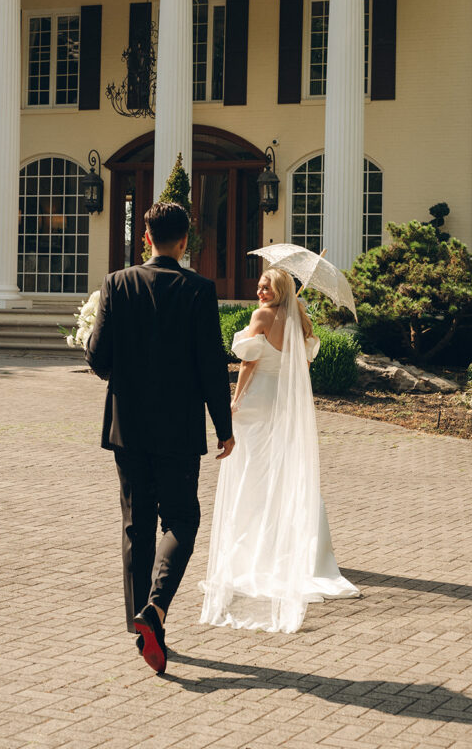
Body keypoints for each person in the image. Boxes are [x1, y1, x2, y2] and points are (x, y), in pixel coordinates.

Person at [86, 201, 234, 674]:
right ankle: (156, 607)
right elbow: (211, 364)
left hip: (127, 426)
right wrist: (224, 428)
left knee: (136, 523)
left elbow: (98, 356)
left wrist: (108, 360)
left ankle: (141, 625)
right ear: (185, 241)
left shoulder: (117, 283)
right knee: (182, 520)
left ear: (145, 237)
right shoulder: (198, 289)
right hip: (178, 427)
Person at [200, 267, 358, 634]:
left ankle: (251, 548)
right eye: (258, 286)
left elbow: (247, 363)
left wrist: (234, 402)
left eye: (266, 286)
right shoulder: (299, 319)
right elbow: (301, 365)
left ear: (279, 288)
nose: (260, 292)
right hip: (285, 405)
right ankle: (295, 548)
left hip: (258, 402)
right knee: (283, 471)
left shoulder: (261, 317)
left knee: (251, 472)